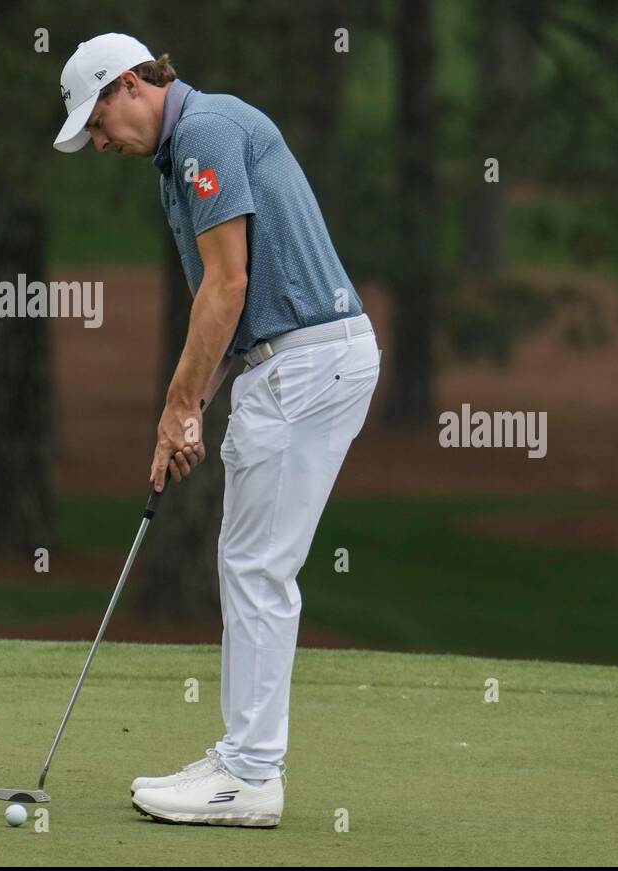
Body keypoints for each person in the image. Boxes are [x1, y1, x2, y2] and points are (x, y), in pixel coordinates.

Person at [53, 33, 380, 827]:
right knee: (249, 563)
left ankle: (251, 774)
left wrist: (177, 402)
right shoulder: (183, 156)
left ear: (131, 86)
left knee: (257, 567)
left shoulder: (205, 132)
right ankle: (243, 758)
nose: (100, 143)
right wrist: (189, 411)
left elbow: (227, 287)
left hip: (305, 363)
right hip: (296, 360)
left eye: (97, 122)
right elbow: (233, 307)